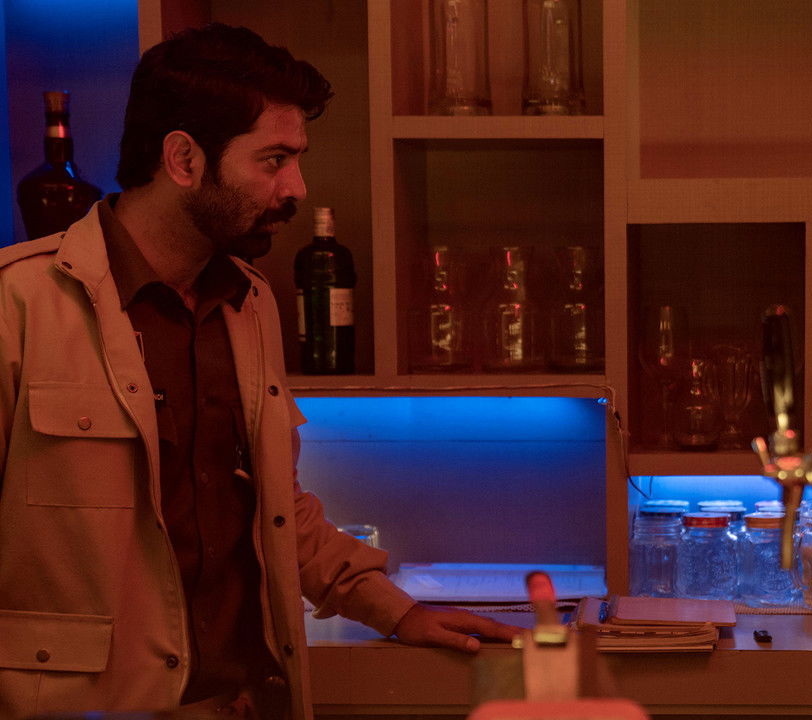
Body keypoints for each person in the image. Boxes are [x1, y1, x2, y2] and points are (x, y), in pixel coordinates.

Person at [0, 24, 517, 719]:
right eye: (273, 160)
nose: (296, 188)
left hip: (242, 701)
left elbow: (275, 505)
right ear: (183, 158)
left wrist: (396, 610)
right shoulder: (19, 304)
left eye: (296, 160)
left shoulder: (249, 301)